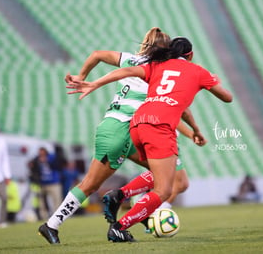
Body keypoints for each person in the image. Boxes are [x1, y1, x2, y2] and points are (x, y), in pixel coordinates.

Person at [38, 28, 203, 244]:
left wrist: (82, 76)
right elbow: (178, 108)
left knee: (169, 176)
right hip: (118, 131)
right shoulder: (160, 70)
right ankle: (52, 224)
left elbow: (97, 54)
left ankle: (130, 204)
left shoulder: (131, 59)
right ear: (165, 50)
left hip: (128, 130)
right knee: (90, 184)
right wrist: (194, 132)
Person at [68, 37, 232, 242]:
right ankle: (120, 227)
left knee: (162, 176)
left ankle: (120, 194)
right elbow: (228, 98)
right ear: (190, 55)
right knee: (164, 190)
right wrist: (216, 82)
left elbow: (126, 71)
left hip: (138, 123)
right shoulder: (199, 71)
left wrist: (95, 83)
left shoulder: (156, 65)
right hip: (160, 127)